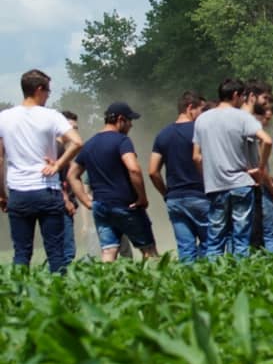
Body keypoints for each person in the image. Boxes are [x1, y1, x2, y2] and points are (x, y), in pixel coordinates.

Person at [0, 69, 82, 272]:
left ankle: (18, 299)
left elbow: (0, 159)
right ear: (39, 89)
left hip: (18, 192)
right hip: (47, 190)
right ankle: (60, 298)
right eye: (48, 91)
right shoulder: (52, 116)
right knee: (56, 252)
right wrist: (57, 165)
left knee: (21, 252)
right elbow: (77, 142)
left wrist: (2, 194)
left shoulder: (4, 117)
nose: (48, 95)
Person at [193, 78, 273, 258]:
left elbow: (196, 156)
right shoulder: (242, 117)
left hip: (216, 185)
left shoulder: (202, 119)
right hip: (240, 184)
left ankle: (214, 277)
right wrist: (260, 169)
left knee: (215, 238)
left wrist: (208, 176)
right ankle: (240, 278)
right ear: (236, 95)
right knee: (241, 237)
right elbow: (267, 140)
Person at [67, 102, 157, 262]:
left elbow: (72, 174)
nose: (131, 125)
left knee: (108, 251)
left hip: (101, 206)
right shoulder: (122, 141)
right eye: (130, 121)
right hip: (125, 205)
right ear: (120, 119)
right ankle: (154, 284)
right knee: (149, 250)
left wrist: (87, 201)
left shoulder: (89, 145)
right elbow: (134, 169)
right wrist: (142, 198)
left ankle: (107, 285)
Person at [149, 90, 209, 263]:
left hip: (175, 199)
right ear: (190, 108)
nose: (202, 115)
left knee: (185, 247)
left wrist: (166, 194)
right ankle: (208, 282)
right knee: (210, 242)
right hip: (200, 195)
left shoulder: (163, 134)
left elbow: (153, 171)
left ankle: (188, 285)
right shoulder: (200, 131)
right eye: (200, 110)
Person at [249, 100, 273, 252]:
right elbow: (258, 167)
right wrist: (272, 187)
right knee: (271, 231)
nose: (266, 122)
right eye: (265, 118)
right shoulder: (258, 137)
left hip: (258, 184)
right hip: (261, 188)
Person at [57, 110, 79, 265]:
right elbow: (54, 179)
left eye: (76, 128)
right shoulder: (56, 148)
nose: (74, 132)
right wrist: (66, 200)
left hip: (64, 203)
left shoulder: (63, 149)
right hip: (62, 205)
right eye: (72, 128)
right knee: (67, 250)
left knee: (62, 249)